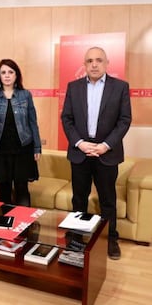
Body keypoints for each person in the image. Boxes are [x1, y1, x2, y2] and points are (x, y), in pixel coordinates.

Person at [61, 46, 131, 260]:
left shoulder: (120, 87)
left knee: (107, 200)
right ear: (84, 64)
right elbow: (67, 119)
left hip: (106, 153)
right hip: (80, 152)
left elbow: (124, 120)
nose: (94, 64)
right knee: (79, 199)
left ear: (107, 63)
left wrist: (105, 145)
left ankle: (110, 239)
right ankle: (76, 238)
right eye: (89, 60)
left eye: (98, 60)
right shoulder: (73, 87)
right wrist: (80, 143)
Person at [0, 59, 41, 206]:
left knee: (22, 189)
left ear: (16, 75)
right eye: (3, 72)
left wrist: (37, 147)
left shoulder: (25, 95)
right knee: (4, 190)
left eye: (10, 72)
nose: (7, 75)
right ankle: (6, 225)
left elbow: (33, 122)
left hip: (23, 149)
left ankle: (24, 225)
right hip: (0, 151)